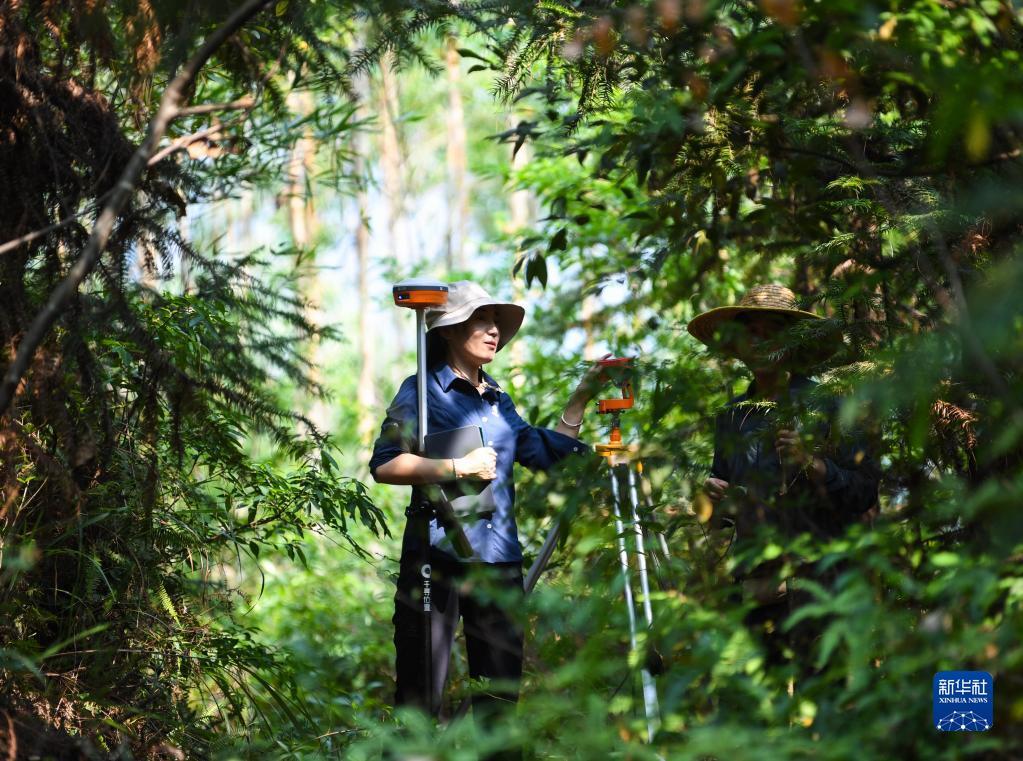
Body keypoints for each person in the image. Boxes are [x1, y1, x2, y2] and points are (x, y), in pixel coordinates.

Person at [370, 280, 603, 729]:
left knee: (500, 702)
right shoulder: (422, 391)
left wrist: (581, 397)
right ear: (449, 330)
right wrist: (457, 467)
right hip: (436, 558)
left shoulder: (499, 400)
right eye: (482, 319)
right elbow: (385, 465)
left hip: (498, 563)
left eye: (496, 321)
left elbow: (541, 452)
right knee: (419, 698)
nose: (494, 329)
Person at [687, 284, 880, 664]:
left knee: (828, 698)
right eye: (749, 333)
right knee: (762, 711)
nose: (759, 343)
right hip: (759, 588)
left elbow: (864, 493)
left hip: (824, 586)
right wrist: (710, 500)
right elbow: (722, 515)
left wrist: (814, 465)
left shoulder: (831, 405)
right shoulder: (732, 417)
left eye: (770, 332)